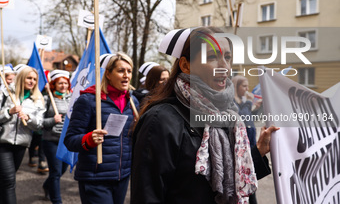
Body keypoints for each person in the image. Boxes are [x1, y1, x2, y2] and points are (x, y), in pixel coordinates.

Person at [131, 27, 279, 204]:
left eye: (228, 57)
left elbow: (231, 176)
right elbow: (148, 195)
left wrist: (259, 151)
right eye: (212, 57)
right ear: (186, 65)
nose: (224, 66)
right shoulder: (160, 120)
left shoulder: (228, 115)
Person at [64, 52, 139, 204]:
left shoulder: (133, 102)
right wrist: (88, 139)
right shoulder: (88, 100)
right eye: (121, 70)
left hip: (122, 176)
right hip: (95, 177)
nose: (126, 75)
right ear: (108, 74)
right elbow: (70, 140)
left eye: (129, 71)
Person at [0, 66, 45, 204]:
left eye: (34, 79)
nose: (32, 81)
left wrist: (29, 118)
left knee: (5, 181)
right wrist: (9, 111)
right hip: (3, 142)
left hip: (22, 144)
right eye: (29, 78)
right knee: (9, 181)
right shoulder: (6, 93)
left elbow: (39, 124)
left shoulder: (37, 99)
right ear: (21, 77)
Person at [232, 75, 263, 204]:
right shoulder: (232, 102)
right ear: (236, 86)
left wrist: (258, 107)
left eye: (247, 85)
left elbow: (251, 117)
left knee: (251, 177)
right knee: (243, 178)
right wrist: (250, 103)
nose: (247, 88)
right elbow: (241, 115)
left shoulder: (244, 100)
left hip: (250, 141)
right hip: (239, 146)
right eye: (244, 86)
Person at [42, 69, 71, 203]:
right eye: (60, 83)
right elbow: (39, 123)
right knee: (56, 172)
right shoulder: (47, 99)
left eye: (65, 83)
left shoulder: (72, 98)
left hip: (67, 141)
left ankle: (47, 186)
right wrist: (53, 120)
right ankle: (56, 201)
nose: (63, 86)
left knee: (62, 170)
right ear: (54, 84)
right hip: (51, 141)